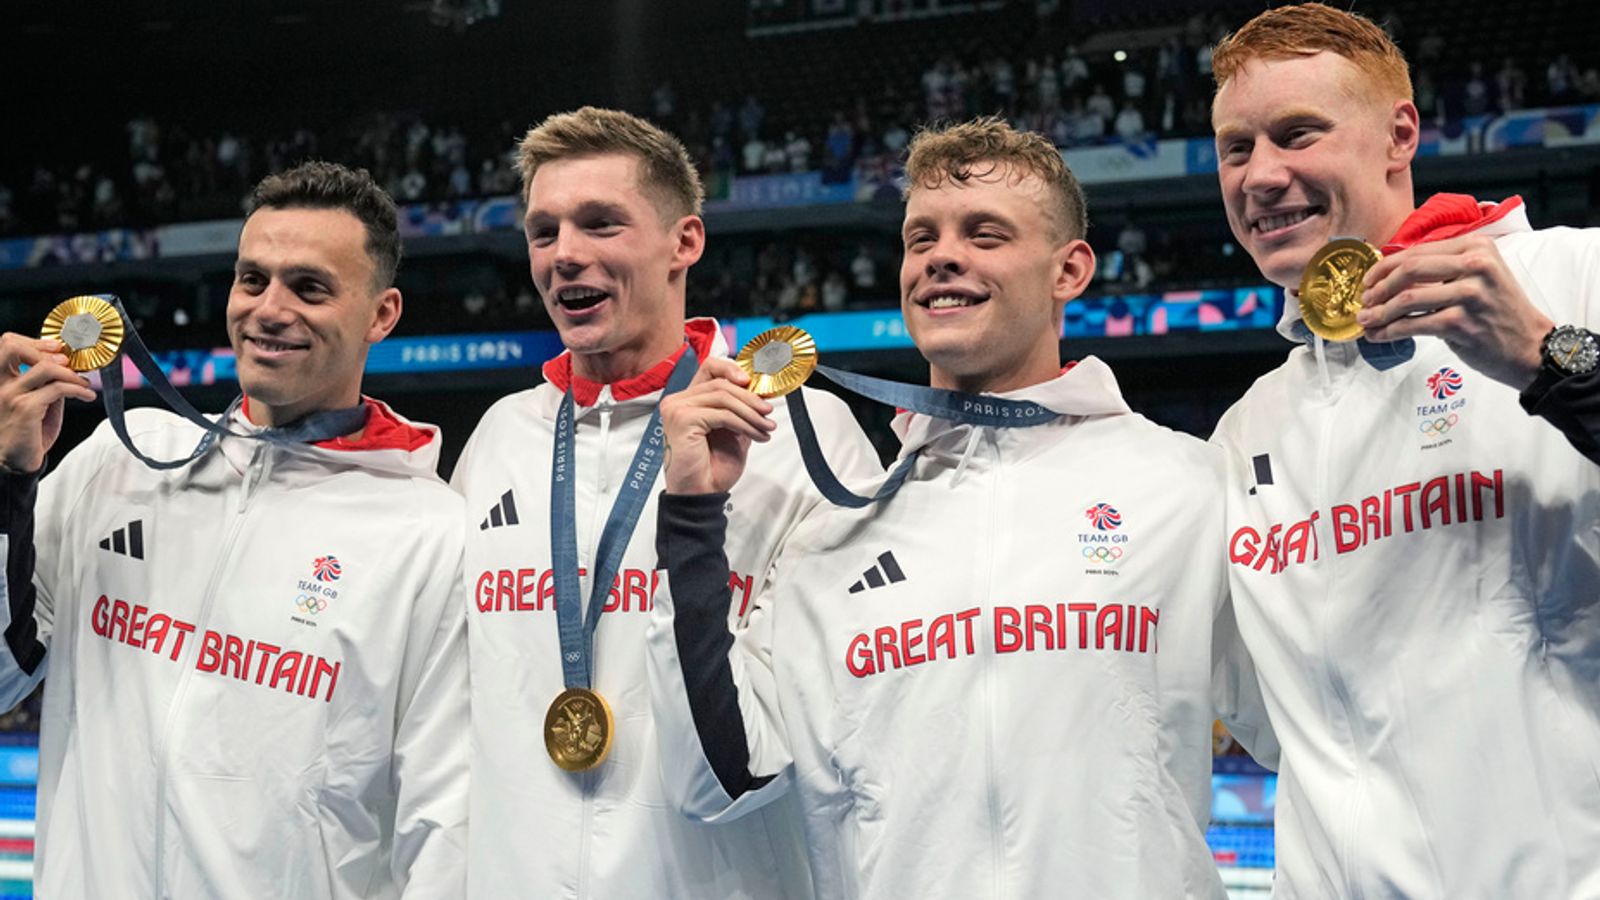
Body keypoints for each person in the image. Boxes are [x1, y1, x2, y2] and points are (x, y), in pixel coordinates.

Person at [649, 117, 1273, 899]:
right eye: (921, 239)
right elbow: (719, 778)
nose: (943, 256)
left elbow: (1306, 726)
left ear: (1069, 269)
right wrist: (693, 516)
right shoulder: (836, 533)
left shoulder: (1186, 484)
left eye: (985, 234)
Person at [1208, 4, 1600, 896]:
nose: (1262, 175)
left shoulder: (1577, 277)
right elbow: (1268, 722)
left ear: (1399, 134)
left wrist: (1550, 358)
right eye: (1237, 149)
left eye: (1296, 133)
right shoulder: (1249, 431)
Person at [0, 161, 468, 898]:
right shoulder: (118, 465)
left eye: (309, 287)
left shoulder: (434, 533)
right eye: (253, 280)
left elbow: (445, 825)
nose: (269, 309)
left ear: (383, 315)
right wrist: (7, 484)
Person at [451, 107, 879, 899]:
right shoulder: (499, 438)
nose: (564, 255)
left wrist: (692, 518)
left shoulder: (804, 436)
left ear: (685, 242)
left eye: (600, 223)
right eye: (543, 232)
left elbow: (798, 746)